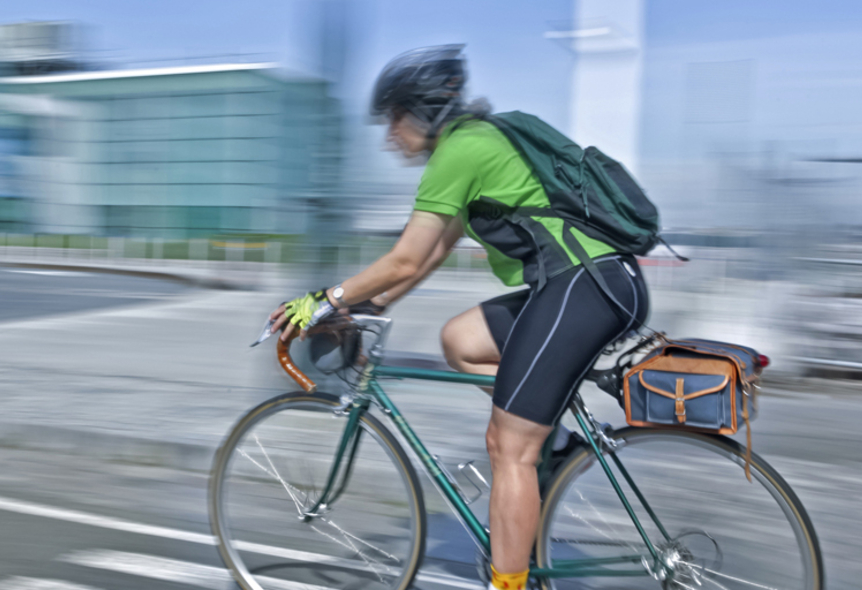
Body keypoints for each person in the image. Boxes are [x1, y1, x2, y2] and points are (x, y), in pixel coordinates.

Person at [267, 45, 649, 590]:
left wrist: (322, 300)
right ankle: (558, 446)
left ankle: (510, 580)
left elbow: (402, 256)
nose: (389, 135)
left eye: (394, 119)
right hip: (595, 285)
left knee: (507, 446)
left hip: (584, 288)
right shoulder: (477, 142)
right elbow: (429, 254)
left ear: (420, 112)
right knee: (462, 340)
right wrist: (371, 306)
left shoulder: (459, 153)